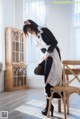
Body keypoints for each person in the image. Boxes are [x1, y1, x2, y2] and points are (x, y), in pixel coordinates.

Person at [23, 19, 62, 117]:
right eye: (27, 31)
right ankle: (49, 78)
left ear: (33, 26)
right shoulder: (37, 38)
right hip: (47, 56)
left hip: (53, 56)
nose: (29, 32)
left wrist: (48, 53)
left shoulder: (44, 30)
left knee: (47, 80)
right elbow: (43, 49)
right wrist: (45, 54)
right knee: (37, 71)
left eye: (29, 29)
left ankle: (48, 106)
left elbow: (54, 42)